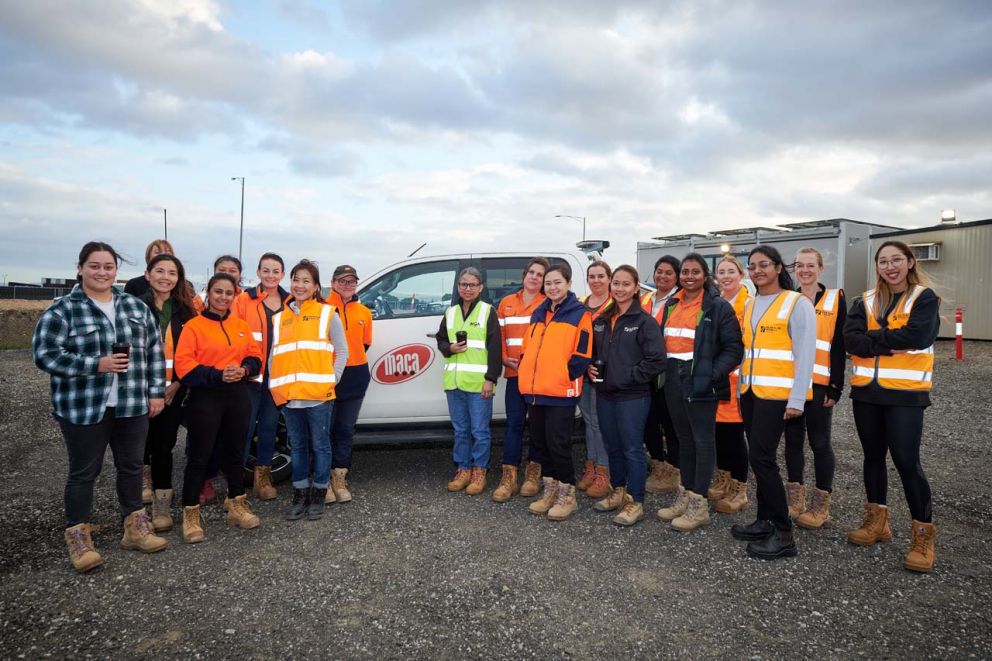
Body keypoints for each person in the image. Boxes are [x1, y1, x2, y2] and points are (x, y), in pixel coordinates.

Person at [33, 241, 167, 572]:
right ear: (80, 269)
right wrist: (97, 364)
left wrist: (155, 393)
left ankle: (134, 527)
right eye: (95, 266)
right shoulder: (63, 309)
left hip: (131, 403)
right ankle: (79, 537)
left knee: (132, 466)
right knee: (84, 472)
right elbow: (45, 355)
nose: (102, 272)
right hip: (83, 407)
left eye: (108, 267)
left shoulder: (135, 308)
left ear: (116, 272)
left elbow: (154, 353)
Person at [844, 240, 940, 573]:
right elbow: (850, 340)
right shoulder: (864, 301)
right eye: (883, 261)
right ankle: (877, 521)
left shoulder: (923, 298)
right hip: (867, 393)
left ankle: (923, 534)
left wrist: (874, 340)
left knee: (906, 461)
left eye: (896, 259)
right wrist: (887, 338)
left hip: (905, 394)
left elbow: (918, 336)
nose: (890, 266)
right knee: (872, 458)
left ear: (911, 262)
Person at [730, 245, 816, 560]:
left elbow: (806, 354)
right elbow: (748, 351)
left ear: (779, 267)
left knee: (763, 460)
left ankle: (783, 532)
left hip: (778, 397)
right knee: (759, 458)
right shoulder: (751, 304)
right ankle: (764, 520)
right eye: (751, 266)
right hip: (752, 392)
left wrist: (797, 398)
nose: (757, 271)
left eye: (763, 265)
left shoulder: (797, 303)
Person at [656, 254, 743, 531]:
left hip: (700, 381)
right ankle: (686, 493)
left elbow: (733, 350)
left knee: (703, 441)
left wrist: (709, 375)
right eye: (685, 272)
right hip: (672, 377)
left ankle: (699, 504)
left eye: (695, 272)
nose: (689, 276)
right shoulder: (672, 304)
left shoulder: (718, 307)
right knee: (683, 439)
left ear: (705, 276)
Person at [174, 273, 263, 543]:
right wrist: (217, 375)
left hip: (237, 395)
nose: (223, 297)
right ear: (208, 293)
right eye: (218, 292)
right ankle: (190, 513)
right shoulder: (194, 327)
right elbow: (184, 366)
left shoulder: (240, 325)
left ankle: (236, 503)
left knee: (235, 453)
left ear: (234, 295)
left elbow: (255, 355)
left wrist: (246, 368)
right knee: (200, 456)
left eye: (228, 292)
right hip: (206, 397)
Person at [587, 265, 666, 526]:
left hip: (633, 396)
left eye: (625, 284)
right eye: (616, 284)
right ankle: (618, 491)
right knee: (613, 446)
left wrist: (627, 376)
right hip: (605, 394)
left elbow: (656, 361)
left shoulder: (644, 322)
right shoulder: (601, 320)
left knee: (632, 449)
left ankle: (635, 501)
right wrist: (589, 367)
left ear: (635, 288)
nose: (619, 289)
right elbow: (594, 353)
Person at [270, 261, 348, 521]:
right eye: (296, 279)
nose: (299, 285)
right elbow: (274, 355)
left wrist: (332, 379)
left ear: (316, 287)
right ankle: (299, 494)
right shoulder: (280, 318)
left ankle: (318, 494)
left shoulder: (328, 314)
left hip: (318, 396)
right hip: (289, 397)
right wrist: (275, 385)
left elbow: (343, 351)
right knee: (298, 448)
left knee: (321, 446)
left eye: (306, 280)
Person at [518, 262, 593, 521]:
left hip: (560, 392)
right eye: (548, 283)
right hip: (535, 391)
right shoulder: (539, 313)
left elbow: (582, 354)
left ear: (569, 284)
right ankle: (550, 490)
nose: (552, 287)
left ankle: (566, 495)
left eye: (557, 282)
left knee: (558, 444)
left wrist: (562, 376)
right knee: (541, 444)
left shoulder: (579, 313)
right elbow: (528, 348)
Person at [783, 248, 847, 529]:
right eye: (800, 265)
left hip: (820, 385)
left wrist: (836, 386)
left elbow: (839, 345)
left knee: (820, 443)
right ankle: (795, 499)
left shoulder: (835, 299)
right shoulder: (789, 300)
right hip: (794, 384)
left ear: (821, 268)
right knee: (793, 442)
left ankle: (821, 505)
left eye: (810, 265)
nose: (804, 270)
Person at [138, 254, 198, 532]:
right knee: (136, 449)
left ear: (178, 278)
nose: (165, 277)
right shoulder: (133, 307)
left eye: (172, 273)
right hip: (137, 391)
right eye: (159, 271)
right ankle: (134, 512)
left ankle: (161, 506)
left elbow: (193, 354)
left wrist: (176, 385)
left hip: (172, 391)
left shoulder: (186, 312)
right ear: (148, 274)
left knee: (164, 447)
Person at [436, 267, 502, 495]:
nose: (467, 288)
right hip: (454, 383)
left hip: (478, 384)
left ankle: (479, 471)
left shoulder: (487, 312)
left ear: (481, 287)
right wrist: (449, 348)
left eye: (472, 284)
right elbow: (441, 340)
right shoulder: (451, 312)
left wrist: (490, 380)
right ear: (458, 287)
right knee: (461, 430)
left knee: (480, 431)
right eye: (463, 284)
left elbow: (495, 350)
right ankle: (463, 469)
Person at [491, 257, 549, 503]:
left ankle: (533, 474)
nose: (535, 277)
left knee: (537, 425)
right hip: (515, 374)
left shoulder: (548, 303)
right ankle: (509, 477)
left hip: (538, 376)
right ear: (524, 275)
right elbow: (499, 337)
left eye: (540, 275)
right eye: (532, 272)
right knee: (514, 424)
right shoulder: (506, 303)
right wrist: (504, 359)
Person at [232, 253, 289, 501]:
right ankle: (234, 488)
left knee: (268, 429)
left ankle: (262, 480)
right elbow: (233, 335)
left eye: (275, 271)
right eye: (266, 270)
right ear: (258, 272)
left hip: (278, 377)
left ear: (282, 275)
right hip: (251, 377)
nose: (270, 276)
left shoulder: (291, 302)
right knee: (242, 431)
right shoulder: (244, 300)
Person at [196, 254, 243, 504]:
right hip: (205, 386)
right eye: (223, 270)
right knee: (204, 441)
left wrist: (245, 369)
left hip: (239, 385)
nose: (223, 296)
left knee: (234, 441)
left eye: (233, 270)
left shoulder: (244, 302)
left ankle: (235, 496)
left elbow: (250, 344)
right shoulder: (197, 306)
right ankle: (202, 482)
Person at [325, 265, 373, 504]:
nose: (347, 286)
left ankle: (339, 477)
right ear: (333, 283)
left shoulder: (364, 311)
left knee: (345, 430)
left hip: (355, 375)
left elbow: (365, 344)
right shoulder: (322, 309)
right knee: (324, 430)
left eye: (351, 282)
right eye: (342, 281)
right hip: (328, 375)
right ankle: (323, 480)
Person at [712, 255, 753, 515]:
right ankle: (724, 478)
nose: (726, 276)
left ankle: (740, 488)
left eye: (731, 271)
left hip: (737, 379)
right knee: (718, 432)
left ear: (740, 274)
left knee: (735, 435)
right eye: (721, 272)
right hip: (716, 378)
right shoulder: (715, 304)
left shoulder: (748, 304)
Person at [641, 255, 682, 494]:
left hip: (669, 370)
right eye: (659, 271)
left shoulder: (679, 300)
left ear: (676, 276)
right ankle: (658, 465)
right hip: (648, 371)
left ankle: (674, 470)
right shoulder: (646, 298)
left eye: (668, 272)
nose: (662, 276)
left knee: (671, 422)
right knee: (649, 421)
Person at [575, 260, 613, 499]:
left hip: (604, 374)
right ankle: (591, 465)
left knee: (600, 423)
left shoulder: (615, 305)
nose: (596, 280)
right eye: (592, 276)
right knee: (589, 422)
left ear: (609, 278)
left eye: (601, 276)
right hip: (584, 372)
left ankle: (604, 472)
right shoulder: (581, 305)